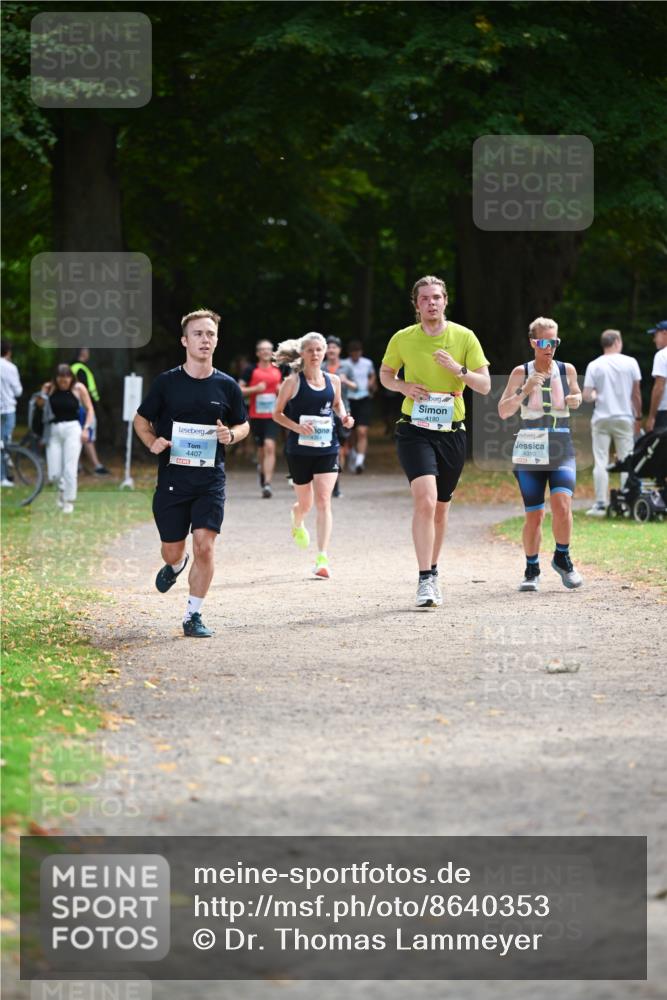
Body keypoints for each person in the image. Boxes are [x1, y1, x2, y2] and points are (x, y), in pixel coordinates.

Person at [133, 309, 249, 638]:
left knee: (205, 546)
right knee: (173, 548)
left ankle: (193, 615)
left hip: (210, 480)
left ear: (216, 340)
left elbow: (243, 425)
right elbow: (141, 421)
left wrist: (232, 435)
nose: (204, 339)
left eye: (210, 334)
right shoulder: (167, 383)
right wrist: (152, 441)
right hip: (172, 480)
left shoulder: (227, 387)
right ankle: (174, 565)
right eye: (198, 334)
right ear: (185, 340)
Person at [380, 275, 490, 608]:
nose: (431, 303)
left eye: (437, 297)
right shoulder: (403, 338)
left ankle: (434, 569)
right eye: (425, 298)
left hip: (451, 430)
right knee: (425, 501)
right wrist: (403, 387)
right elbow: (386, 374)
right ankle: (424, 578)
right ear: (417, 305)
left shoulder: (464, 336)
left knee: (441, 508)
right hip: (414, 428)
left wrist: (459, 370)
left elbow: (484, 385)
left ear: (445, 301)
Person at [498, 317, 584, 592]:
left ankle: (562, 557)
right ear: (533, 342)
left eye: (555, 341)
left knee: (562, 504)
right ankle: (532, 568)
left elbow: (577, 394)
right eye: (545, 342)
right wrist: (526, 389)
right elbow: (503, 411)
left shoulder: (566, 368)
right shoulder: (520, 372)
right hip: (530, 447)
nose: (550, 347)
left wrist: (575, 399)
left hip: (561, 445)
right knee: (534, 515)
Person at [272, 332, 354, 579]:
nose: (316, 354)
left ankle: (322, 558)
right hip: (299, 450)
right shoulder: (293, 382)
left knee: (323, 501)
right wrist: (297, 427)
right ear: (303, 353)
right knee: (305, 504)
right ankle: (297, 520)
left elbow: (337, 404)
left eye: (320, 350)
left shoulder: (334, 380)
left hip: (327, 447)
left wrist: (344, 416)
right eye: (311, 350)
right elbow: (277, 413)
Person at [582, 329, 642, 516]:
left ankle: (600, 504)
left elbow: (587, 395)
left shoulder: (595, 365)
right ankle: (626, 502)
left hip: (601, 417)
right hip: (624, 417)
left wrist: (595, 395)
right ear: (617, 342)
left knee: (601, 460)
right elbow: (636, 394)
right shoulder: (630, 362)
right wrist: (638, 416)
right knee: (627, 460)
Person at [37, 364, 95, 514]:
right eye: (61, 379)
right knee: (54, 473)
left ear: (71, 378)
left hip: (72, 429)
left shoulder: (78, 388)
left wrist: (86, 428)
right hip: (54, 430)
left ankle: (69, 501)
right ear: (56, 378)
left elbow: (90, 409)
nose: (64, 382)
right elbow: (40, 405)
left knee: (70, 468)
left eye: (67, 378)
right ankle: (61, 491)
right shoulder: (51, 388)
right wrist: (43, 392)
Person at [239, 339, 283, 497]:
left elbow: (286, 390)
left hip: (273, 415)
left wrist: (280, 390)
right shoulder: (250, 370)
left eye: (269, 349)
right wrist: (256, 389)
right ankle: (262, 470)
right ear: (258, 353)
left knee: (270, 445)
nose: (266, 352)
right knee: (262, 449)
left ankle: (267, 484)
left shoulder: (278, 370)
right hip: (256, 416)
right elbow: (239, 389)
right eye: (262, 349)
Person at [321, 335, 356, 496]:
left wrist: (346, 381)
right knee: (326, 449)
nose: (331, 350)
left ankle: (336, 484)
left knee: (339, 450)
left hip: (343, 411)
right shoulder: (319, 367)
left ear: (339, 350)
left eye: (334, 347)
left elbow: (357, 387)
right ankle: (326, 483)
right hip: (323, 413)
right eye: (328, 347)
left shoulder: (347, 367)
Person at [70, 347, 111, 475]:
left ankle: (77, 465)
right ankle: (96, 466)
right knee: (88, 435)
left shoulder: (71, 367)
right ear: (83, 353)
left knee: (78, 436)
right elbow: (83, 390)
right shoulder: (80, 369)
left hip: (77, 407)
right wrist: (90, 406)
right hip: (85, 408)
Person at [345, 340, 376, 474]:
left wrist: (370, 383)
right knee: (351, 432)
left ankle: (359, 461)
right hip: (349, 399)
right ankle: (352, 453)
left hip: (364, 398)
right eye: (353, 353)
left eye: (357, 353)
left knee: (362, 431)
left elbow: (372, 375)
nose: (355, 355)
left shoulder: (367, 363)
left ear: (361, 352)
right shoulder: (344, 364)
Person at [1, 341, 23, 487]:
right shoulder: (10, 368)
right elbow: (18, 391)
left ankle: (4, 475)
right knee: (5, 444)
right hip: (8, 409)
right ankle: (3, 476)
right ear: (8, 352)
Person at [646, 320, 667, 433]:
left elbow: (659, 387)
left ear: (664, 333)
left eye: (655, 335)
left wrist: (651, 417)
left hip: (665, 411)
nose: (654, 340)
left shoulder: (662, 355)